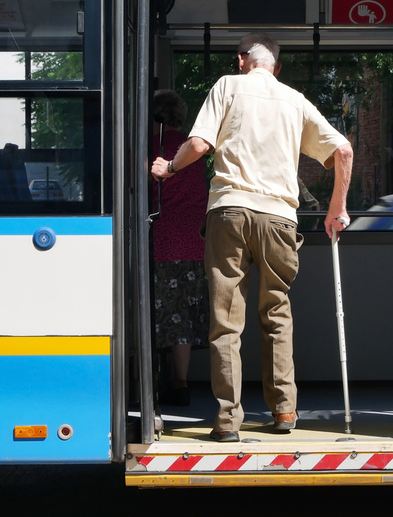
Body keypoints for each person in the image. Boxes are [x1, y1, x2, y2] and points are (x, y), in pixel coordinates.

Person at [151, 33, 353, 442]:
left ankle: (227, 421)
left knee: (227, 321)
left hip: (230, 210)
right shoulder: (295, 100)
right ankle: (284, 411)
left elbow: (199, 143)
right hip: (280, 218)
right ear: (275, 67)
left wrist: (169, 168)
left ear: (241, 60)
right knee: (276, 312)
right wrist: (337, 210)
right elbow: (344, 152)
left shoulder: (227, 86)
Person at [151, 89, 209, 406]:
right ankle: (180, 381)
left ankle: (151, 380)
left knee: (159, 311)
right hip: (192, 241)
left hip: (160, 239)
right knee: (182, 317)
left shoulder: (152, 147)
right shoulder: (193, 147)